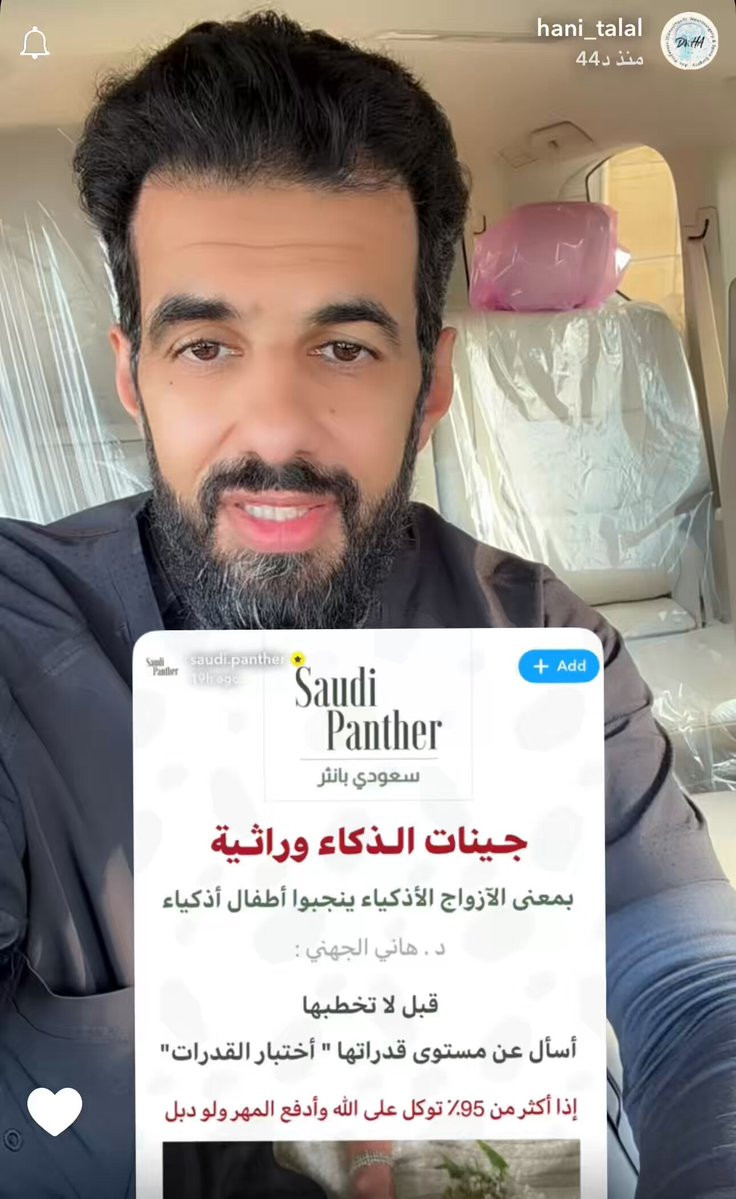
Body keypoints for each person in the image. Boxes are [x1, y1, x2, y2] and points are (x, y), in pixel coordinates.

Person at [0, 11, 734, 1199]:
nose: (276, 431)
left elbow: (689, 984)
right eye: (205, 347)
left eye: (343, 348)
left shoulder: (543, 644)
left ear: (430, 384)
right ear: (133, 374)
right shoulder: (16, 633)